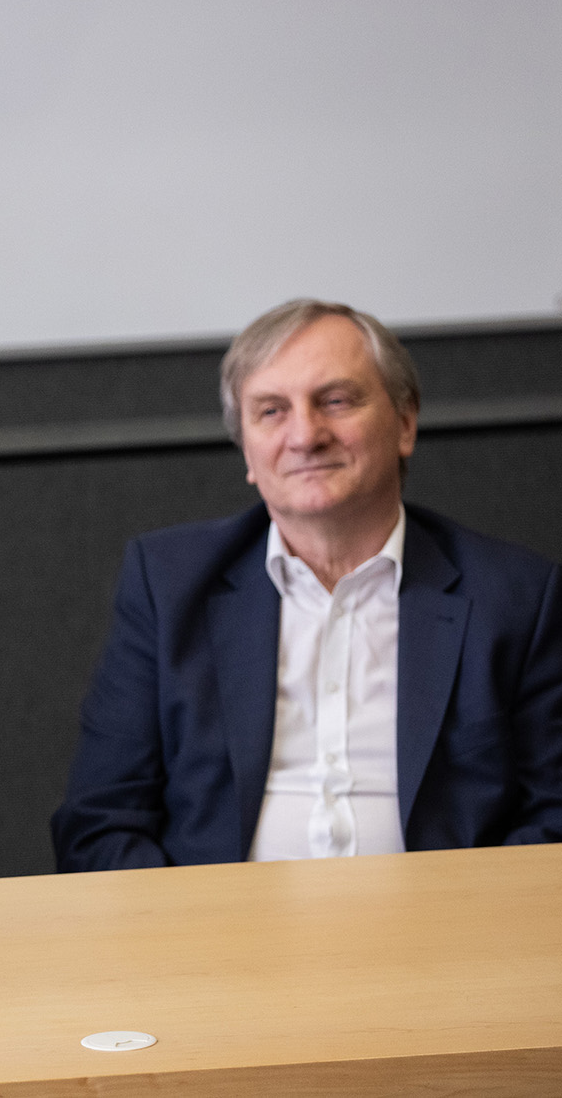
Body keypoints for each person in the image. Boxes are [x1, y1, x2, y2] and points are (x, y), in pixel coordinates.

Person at [53, 299, 562, 871]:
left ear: (405, 423)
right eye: (271, 411)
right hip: (221, 918)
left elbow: (554, 817)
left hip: (440, 920)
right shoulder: (168, 586)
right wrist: (191, 923)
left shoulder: (516, 597)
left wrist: (454, 917)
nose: (305, 435)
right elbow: (99, 822)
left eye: (336, 401)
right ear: (248, 451)